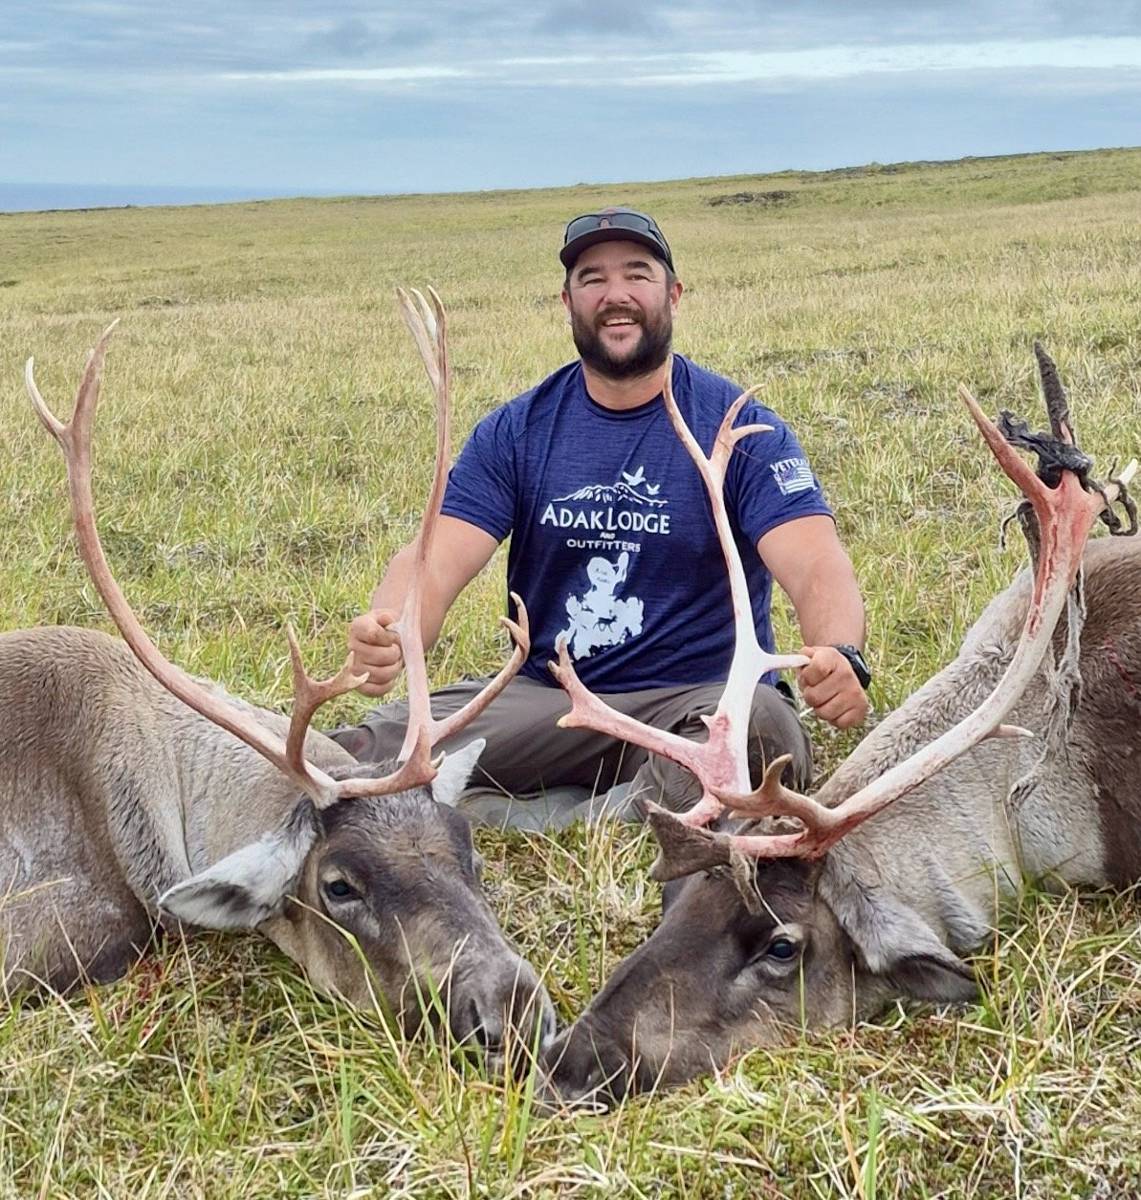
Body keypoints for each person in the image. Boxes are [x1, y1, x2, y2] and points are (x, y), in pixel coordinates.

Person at [328, 208, 870, 828]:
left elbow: (817, 563)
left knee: (764, 736)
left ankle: (537, 813)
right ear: (567, 300)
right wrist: (391, 630)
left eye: (637, 275)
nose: (616, 296)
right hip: (551, 700)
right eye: (592, 279)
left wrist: (838, 653)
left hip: (697, 700)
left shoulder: (745, 429)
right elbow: (433, 559)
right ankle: (626, 807)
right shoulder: (516, 431)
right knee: (363, 756)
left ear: (673, 293)